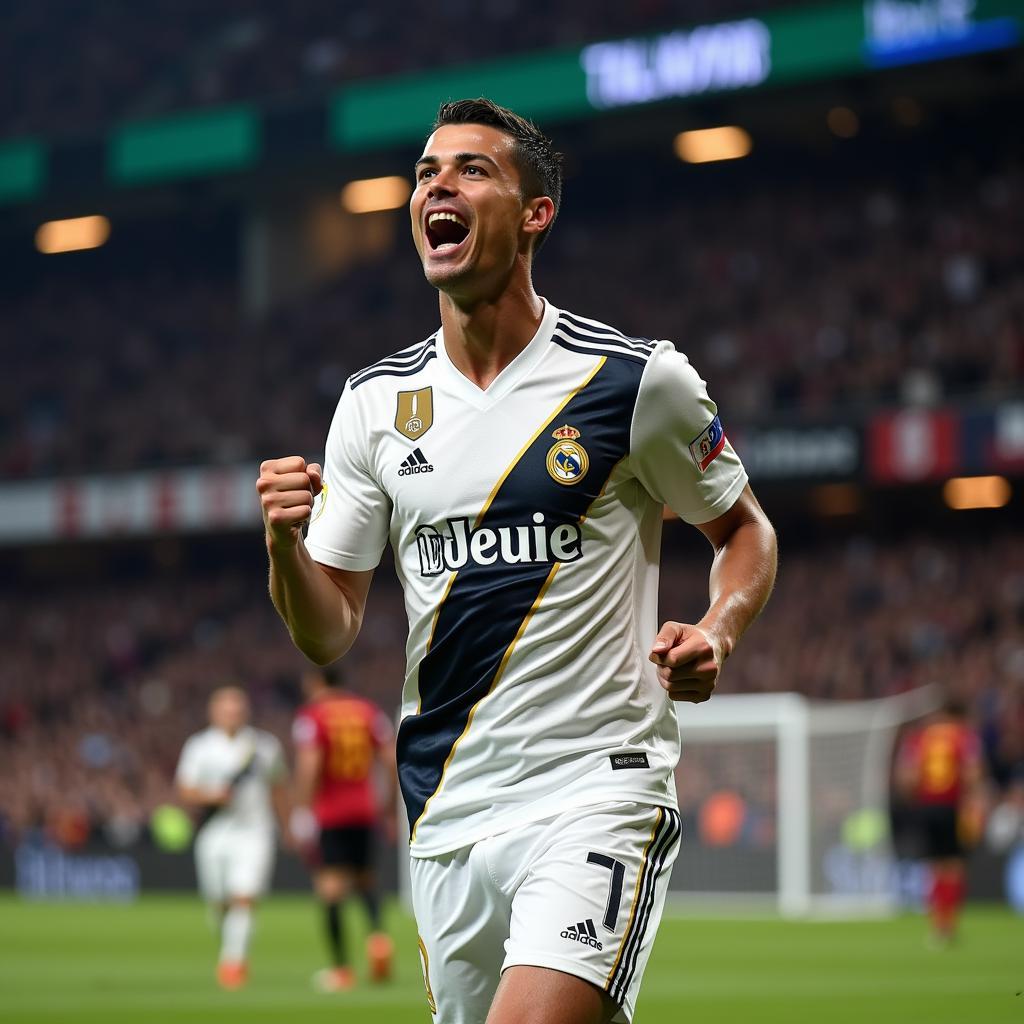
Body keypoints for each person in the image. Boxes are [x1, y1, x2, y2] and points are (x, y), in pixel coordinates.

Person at [257, 97, 777, 1024]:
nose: (436, 187)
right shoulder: (374, 405)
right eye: (424, 172)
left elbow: (745, 531)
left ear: (536, 213)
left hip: (596, 787)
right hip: (447, 809)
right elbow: (326, 628)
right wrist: (283, 547)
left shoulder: (633, 381)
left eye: (470, 169)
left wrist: (718, 629)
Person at [290, 664, 399, 991]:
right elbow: (390, 760)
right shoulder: (368, 712)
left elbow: (310, 765)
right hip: (365, 810)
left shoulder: (313, 716)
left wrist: (302, 811)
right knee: (366, 881)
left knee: (331, 889)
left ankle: (341, 969)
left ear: (315, 682)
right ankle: (379, 940)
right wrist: (389, 809)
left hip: (331, 814)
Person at [175, 686, 289, 989]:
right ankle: (232, 943)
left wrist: (288, 827)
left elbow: (278, 787)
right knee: (219, 903)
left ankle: (233, 962)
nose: (232, 715)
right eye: (226, 710)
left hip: (255, 832)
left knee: (244, 897)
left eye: (237, 709)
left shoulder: (264, 746)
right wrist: (212, 795)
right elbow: (185, 789)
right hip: (214, 834)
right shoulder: (199, 746)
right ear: (214, 712)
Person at [897, 697, 984, 946]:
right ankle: (949, 926)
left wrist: (917, 800)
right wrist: (973, 802)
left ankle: (936, 926)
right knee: (954, 866)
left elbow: (908, 777)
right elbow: (972, 772)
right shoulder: (964, 737)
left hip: (926, 807)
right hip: (952, 807)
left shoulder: (920, 737)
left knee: (933, 867)